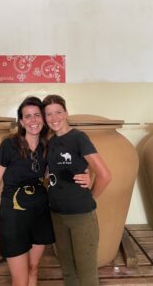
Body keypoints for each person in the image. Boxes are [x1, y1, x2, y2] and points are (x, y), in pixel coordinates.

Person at [0, 96, 90, 286]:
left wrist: (87, 174)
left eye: (37, 115)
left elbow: (64, 169)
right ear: (21, 121)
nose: (33, 120)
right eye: (27, 116)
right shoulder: (9, 144)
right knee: (19, 278)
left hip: (40, 214)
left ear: (43, 119)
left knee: (33, 268)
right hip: (13, 216)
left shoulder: (48, 145)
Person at [42, 94, 112, 286]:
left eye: (58, 112)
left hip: (81, 216)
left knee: (86, 271)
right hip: (57, 215)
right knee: (67, 269)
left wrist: (90, 198)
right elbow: (53, 173)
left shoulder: (79, 138)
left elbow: (105, 175)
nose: (54, 118)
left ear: (66, 113)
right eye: (48, 114)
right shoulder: (51, 142)